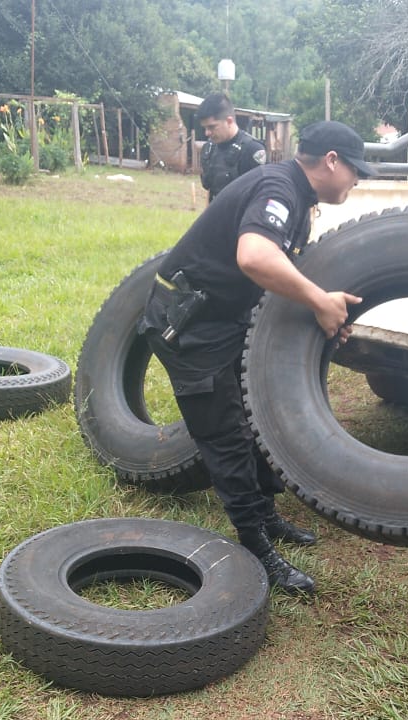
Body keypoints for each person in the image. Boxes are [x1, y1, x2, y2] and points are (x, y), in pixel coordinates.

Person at [141, 121, 376, 595]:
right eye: (355, 170)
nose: (358, 180)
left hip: (221, 317)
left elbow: (279, 269)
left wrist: (324, 307)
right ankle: (255, 547)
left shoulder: (297, 196)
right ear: (331, 160)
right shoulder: (277, 186)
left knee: (252, 419)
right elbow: (254, 257)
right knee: (226, 436)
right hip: (188, 326)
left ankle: (267, 517)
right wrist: (317, 299)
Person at [197, 92, 267, 202]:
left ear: (229, 121)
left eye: (212, 127)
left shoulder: (252, 150)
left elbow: (263, 195)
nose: (207, 133)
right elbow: (211, 192)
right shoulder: (208, 149)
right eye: (205, 128)